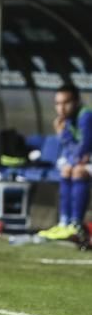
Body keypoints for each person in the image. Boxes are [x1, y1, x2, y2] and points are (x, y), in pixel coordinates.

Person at [38, 84, 92, 241]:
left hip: (87, 160)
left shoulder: (85, 116)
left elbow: (84, 147)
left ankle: (76, 224)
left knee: (77, 171)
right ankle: (64, 223)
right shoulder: (67, 120)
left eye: (66, 103)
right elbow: (71, 151)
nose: (61, 108)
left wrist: (63, 135)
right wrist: (63, 135)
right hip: (84, 160)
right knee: (67, 170)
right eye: (57, 103)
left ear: (76, 102)